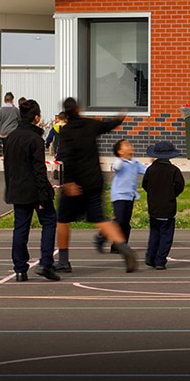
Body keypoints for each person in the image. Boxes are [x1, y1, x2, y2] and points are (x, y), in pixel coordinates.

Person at [56, 97, 137, 273]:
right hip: (94, 180)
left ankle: (63, 261)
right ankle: (124, 248)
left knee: (62, 220)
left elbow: (66, 157)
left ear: (65, 113)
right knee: (101, 219)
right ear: (79, 109)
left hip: (75, 183)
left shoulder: (66, 131)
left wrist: (68, 182)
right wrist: (120, 117)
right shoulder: (90, 125)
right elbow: (109, 125)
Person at [6, 98, 60, 282]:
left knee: (20, 228)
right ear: (36, 117)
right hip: (35, 190)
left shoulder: (11, 137)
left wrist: (10, 188)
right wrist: (44, 193)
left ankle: (20, 268)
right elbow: (39, 168)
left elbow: (8, 167)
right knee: (50, 222)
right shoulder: (35, 139)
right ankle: (46, 262)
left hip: (17, 188)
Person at [142, 141, 185, 270]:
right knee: (166, 235)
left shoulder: (151, 169)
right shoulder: (174, 170)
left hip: (154, 206)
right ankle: (160, 260)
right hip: (168, 207)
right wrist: (172, 194)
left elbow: (145, 185)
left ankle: (150, 256)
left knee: (154, 233)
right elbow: (180, 186)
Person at [110, 139, 148, 243]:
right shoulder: (119, 162)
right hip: (119, 195)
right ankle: (103, 234)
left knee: (125, 223)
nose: (130, 146)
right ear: (120, 151)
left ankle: (120, 245)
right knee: (120, 220)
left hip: (130, 196)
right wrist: (121, 158)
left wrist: (154, 164)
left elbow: (146, 170)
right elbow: (116, 167)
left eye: (130, 144)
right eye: (126, 145)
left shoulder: (135, 162)